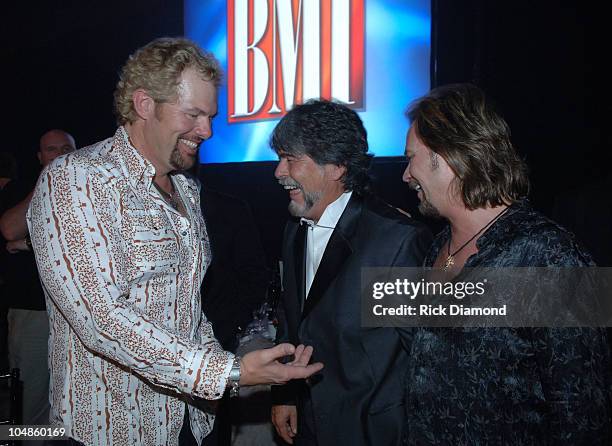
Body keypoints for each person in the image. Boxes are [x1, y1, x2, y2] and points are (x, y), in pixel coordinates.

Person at [26, 37, 322, 446]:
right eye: (194, 114)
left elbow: (187, 308)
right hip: (111, 428)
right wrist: (228, 373)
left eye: (211, 116)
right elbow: (102, 318)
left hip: (193, 420)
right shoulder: (76, 180)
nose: (207, 130)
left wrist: (226, 365)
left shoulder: (187, 190)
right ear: (145, 104)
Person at [401, 83, 611, 444]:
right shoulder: (438, 244)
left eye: (411, 158)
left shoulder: (550, 257)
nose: (405, 175)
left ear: (449, 155)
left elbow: (585, 418)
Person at [270, 100, 432, 445]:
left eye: (291, 158)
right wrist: (285, 393)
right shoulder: (294, 229)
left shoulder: (395, 241)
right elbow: (292, 318)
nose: (279, 172)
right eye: (279, 158)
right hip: (311, 427)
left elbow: (425, 359)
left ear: (337, 165)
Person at [0, 130, 75, 437]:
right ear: (40, 157)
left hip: (79, 313)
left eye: (66, 149)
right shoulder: (21, 188)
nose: (58, 155)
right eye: (51, 150)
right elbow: (8, 230)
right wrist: (46, 182)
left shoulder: (92, 189)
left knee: (72, 399)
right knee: (31, 400)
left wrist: (27, 243)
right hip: (33, 310)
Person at [199, 187, 270, 446]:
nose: (279, 172)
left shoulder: (225, 207)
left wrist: (225, 327)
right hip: (149, 357)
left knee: (214, 431)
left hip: (218, 344)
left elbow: (255, 276)